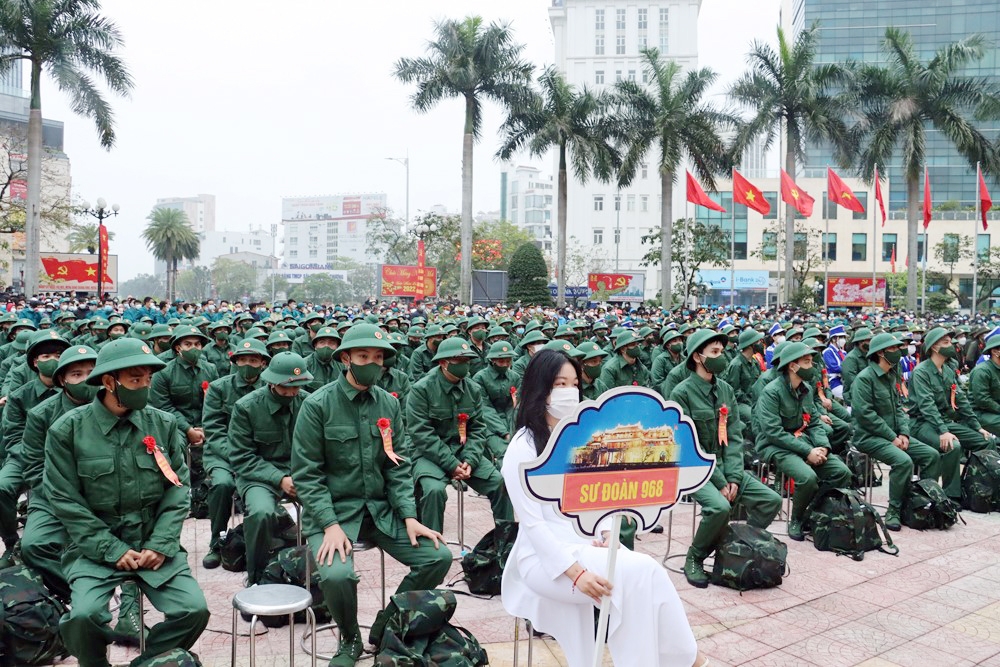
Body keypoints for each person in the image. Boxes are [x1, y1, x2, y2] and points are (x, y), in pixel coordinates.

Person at [500, 349, 704, 667]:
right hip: (546, 562)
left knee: (641, 586)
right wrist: (577, 573)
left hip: (585, 544)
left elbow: (595, 497)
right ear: (540, 390)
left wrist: (606, 531)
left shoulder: (578, 437)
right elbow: (533, 526)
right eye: (559, 384)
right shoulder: (522, 447)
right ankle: (690, 660)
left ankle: (670, 659)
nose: (568, 392)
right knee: (644, 573)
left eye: (573, 384)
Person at [44, 338, 209, 665]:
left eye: (148, 379)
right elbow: (66, 501)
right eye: (135, 380)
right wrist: (112, 549)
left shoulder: (161, 424)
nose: (145, 387)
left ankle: (149, 661)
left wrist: (161, 543)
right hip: (95, 547)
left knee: (194, 610)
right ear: (109, 382)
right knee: (83, 618)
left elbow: (178, 487)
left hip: (152, 541)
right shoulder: (68, 431)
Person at [292, 324, 450, 667]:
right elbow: (307, 475)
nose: (372, 363)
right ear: (345, 359)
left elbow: (397, 466)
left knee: (437, 557)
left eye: (378, 358)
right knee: (336, 575)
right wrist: (330, 524)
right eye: (363, 356)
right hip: (334, 513)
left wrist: (410, 515)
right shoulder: (317, 406)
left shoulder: (388, 405)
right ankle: (349, 638)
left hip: (381, 511)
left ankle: (388, 620)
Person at [671, 330, 781, 586]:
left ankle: (732, 543)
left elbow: (733, 436)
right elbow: (688, 444)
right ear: (698, 357)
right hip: (694, 467)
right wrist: (721, 480)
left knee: (770, 500)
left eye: (722, 351)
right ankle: (695, 557)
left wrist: (732, 476)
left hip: (725, 467)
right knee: (719, 508)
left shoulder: (725, 390)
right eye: (715, 353)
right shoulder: (681, 393)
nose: (722, 357)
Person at [407, 337, 514, 534]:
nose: (464, 366)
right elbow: (421, 434)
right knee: (433, 491)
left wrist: (471, 460)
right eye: (458, 361)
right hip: (429, 455)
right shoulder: (422, 390)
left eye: (467, 361)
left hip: (464, 452)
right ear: (443, 363)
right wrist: (451, 464)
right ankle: (432, 552)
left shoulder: (472, 389)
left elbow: (478, 429)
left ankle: (504, 544)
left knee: (500, 484)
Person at [753, 342, 852, 541]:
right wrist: (808, 451)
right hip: (776, 446)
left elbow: (814, 422)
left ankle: (811, 512)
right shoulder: (772, 392)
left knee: (842, 473)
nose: (812, 367)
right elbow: (773, 432)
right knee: (807, 478)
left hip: (802, 441)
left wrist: (823, 446)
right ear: (792, 366)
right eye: (806, 362)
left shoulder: (805, 389)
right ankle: (796, 519)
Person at [229, 351, 313, 584]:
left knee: (327, 504)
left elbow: (317, 447)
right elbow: (241, 456)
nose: (292, 392)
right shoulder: (247, 407)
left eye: (298, 386)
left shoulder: (308, 402)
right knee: (261, 513)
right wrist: (279, 479)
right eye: (287, 387)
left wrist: (303, 476)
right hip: (258, 475)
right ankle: (256, 576)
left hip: (300, 472)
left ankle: (314, 571)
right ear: (271, 381)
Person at [851, 333, 949, 531]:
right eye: (894, 349)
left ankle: (919, 502)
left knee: (931, 455)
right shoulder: (864, 379)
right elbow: (866, 416)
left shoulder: (891, 375)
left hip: (895, 435)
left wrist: (903, 434)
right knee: (903, 461)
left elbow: (899, 408)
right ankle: (894, 510)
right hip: (869, 437)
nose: (899, 352)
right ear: (880, 352)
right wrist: (892, 437)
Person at [199, 338, 271, 569]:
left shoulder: (269, 388)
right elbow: (214, 430)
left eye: (253, 360)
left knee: (265, 489)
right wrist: (237, 456)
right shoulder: (219, 388)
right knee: (222, 485)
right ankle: (216, 543)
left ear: (262, 363)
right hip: (223, 455)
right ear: (235, 362)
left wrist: (251, 460)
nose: (247, 364)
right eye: (242, 360)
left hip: (258, 454)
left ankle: (265, 544)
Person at [909, 327, 993, 502]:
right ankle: (950, 494)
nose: (951, 346)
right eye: (946, 343)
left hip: (945, 422)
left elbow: (961, 400)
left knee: (986, 441)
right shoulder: (921, 372)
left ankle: (977, 487)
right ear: (934, 347)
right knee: (952, 446)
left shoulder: (947, 370)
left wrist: (977, 427)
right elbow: (927, 406)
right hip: (923, 424)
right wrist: (942, 431)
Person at [969, 334, 1000, 439]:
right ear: (995, 352)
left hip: (994, 410)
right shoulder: (982, 371)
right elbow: (982, 400)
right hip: (980, 413)